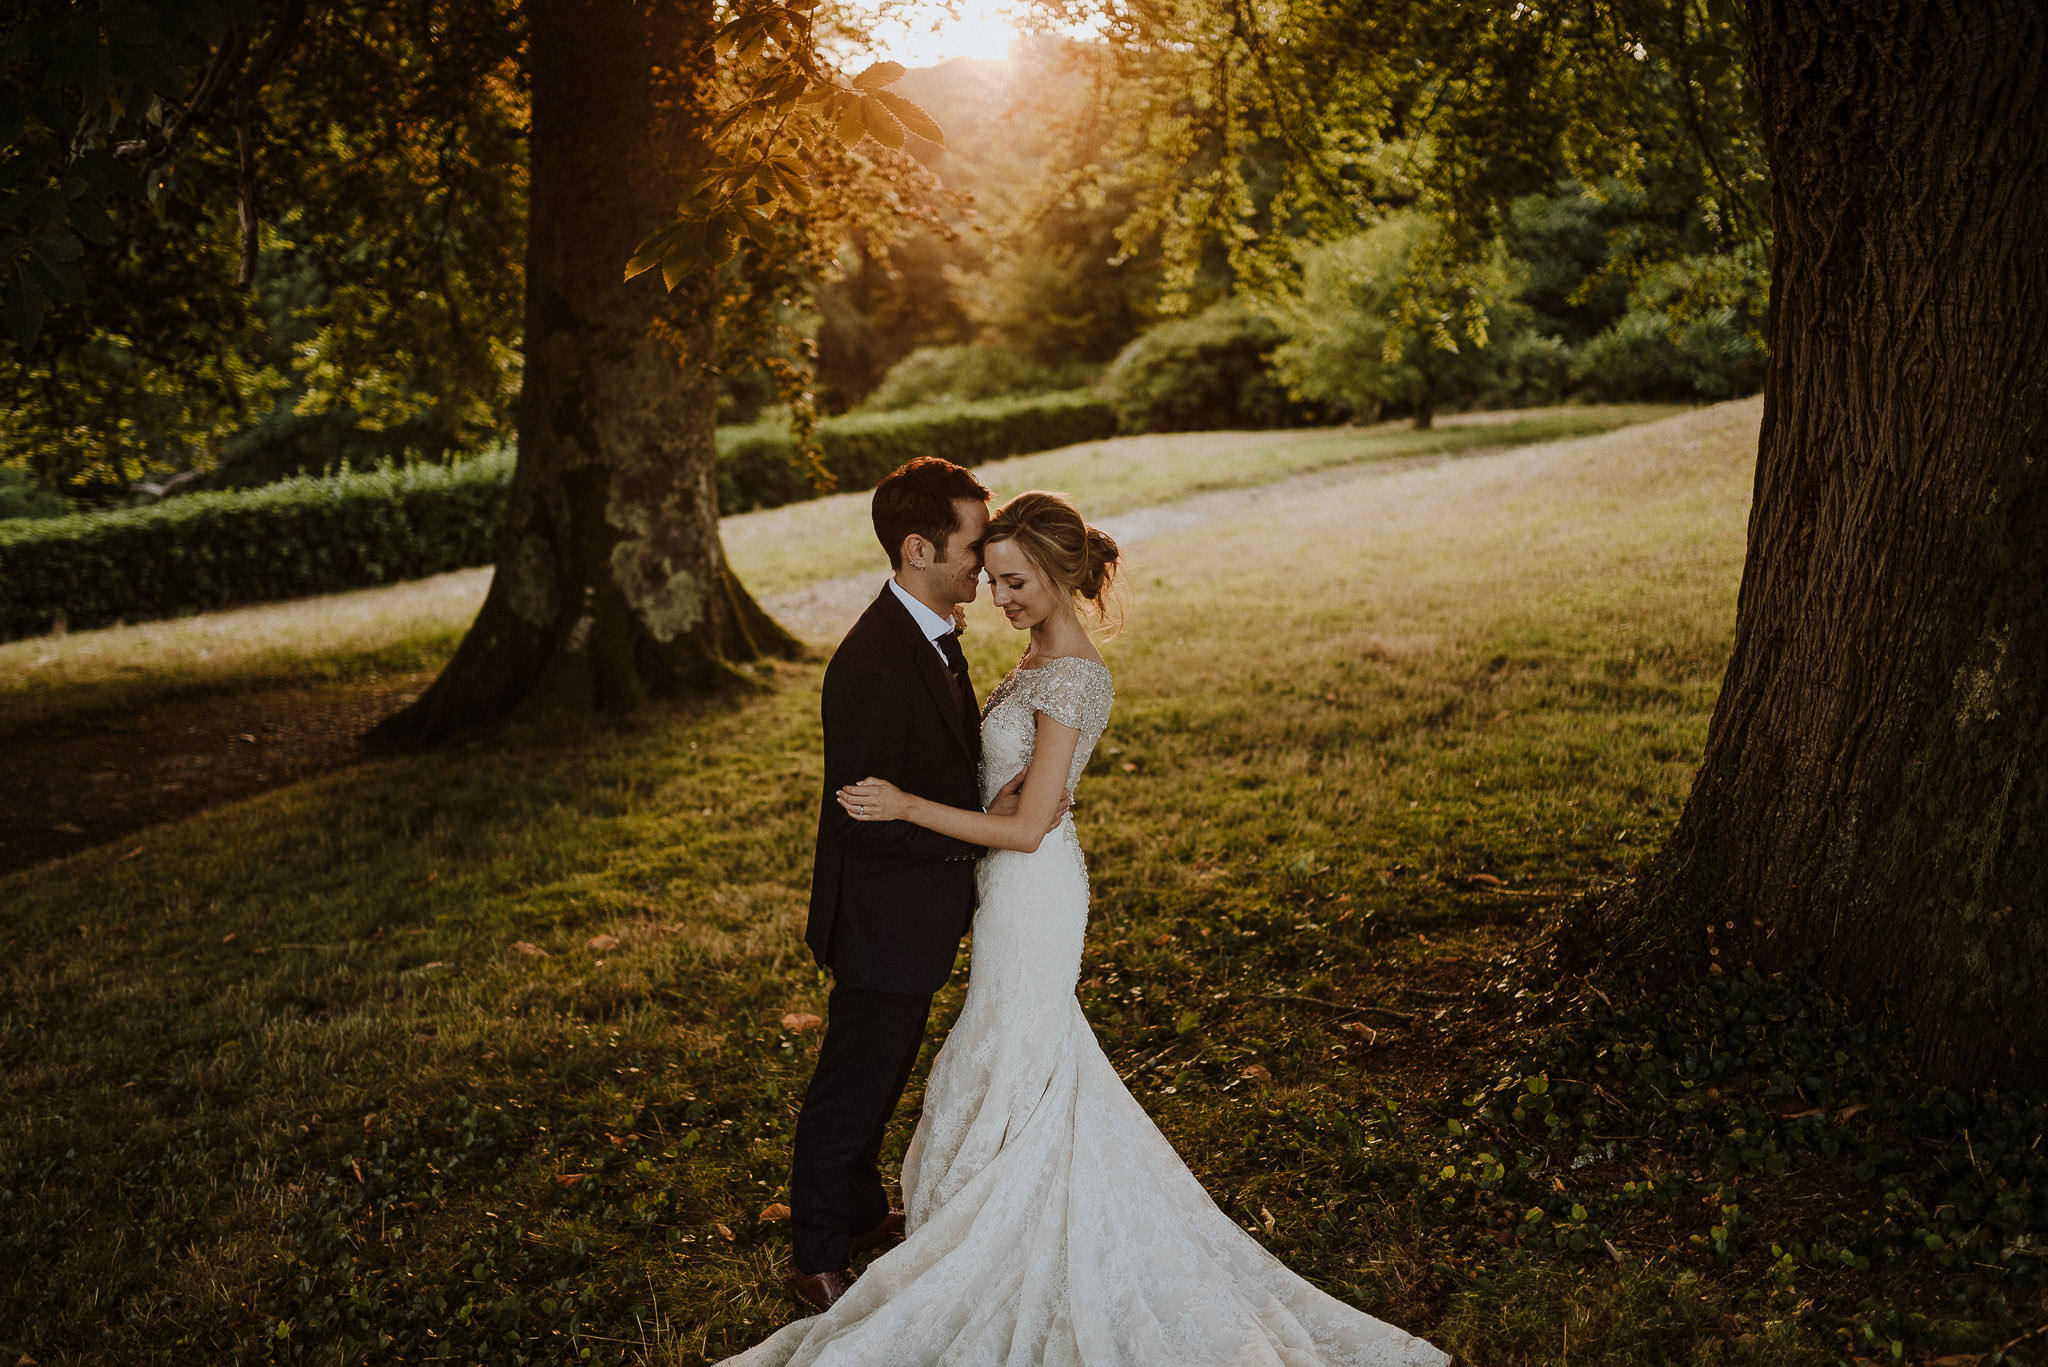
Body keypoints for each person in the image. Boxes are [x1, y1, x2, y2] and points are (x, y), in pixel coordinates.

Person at [722, 489, 1450, 1366]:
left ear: (1062, 575)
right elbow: (976, 786)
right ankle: (844, 1240)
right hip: (954, 895)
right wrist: (984, 799)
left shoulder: (1069, 671)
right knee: (943, 1055)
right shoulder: (960, 656)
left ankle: (993, 1215)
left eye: (1014, 580)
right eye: (988, 575)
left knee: (1018, 1048)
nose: (997, 595)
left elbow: (1027, 823)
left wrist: (936, 805)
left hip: (1027, 890)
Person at [784, 457, 1066, 1314]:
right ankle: (816, 1252)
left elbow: (932, 770)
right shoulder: (872, 662)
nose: (984, 562)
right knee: (854, 1082)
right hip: (881, 914)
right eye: (974, 545)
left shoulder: (930, 633)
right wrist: (975, 841)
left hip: (915, 910)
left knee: (886, 1064)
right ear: (918, 548)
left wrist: (988, 797)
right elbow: (868, 814)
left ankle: (861, 1208)